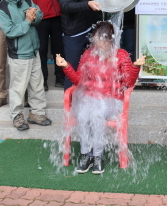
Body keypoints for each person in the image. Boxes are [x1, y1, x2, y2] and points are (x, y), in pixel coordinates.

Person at [55, 22, 145, 174]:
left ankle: (98, 155)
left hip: (112, 100)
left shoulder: (121, 55)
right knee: (82, 115)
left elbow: (128, 82)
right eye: (96, 39)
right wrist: (66, 66)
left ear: (111, 40)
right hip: (90, 98)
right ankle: (86, 154)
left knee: (97, 114)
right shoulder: (88, 54)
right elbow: (79, 81)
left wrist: (135, 66)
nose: (98, 43)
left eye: (102, 39)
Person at [51, 0, 134, 90]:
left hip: (91, 27)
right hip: (73, 31)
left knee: (101, 64)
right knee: (72, 68)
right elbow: (66, 5)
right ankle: (69, 107)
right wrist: (87, 4)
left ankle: (100, 98)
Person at [0, 0, 51, 131]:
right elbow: (11, 31)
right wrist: (27, 21)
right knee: (18, 87)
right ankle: (16, 116)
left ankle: (37, 113)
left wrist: (34, 17)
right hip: (19, 54)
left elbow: (39, 15)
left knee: (37, 85)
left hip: (34, 50)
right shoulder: (1, 10)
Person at [22, 0, 65, 91]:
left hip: (58, 15)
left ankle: (60, 77)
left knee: (59, 48)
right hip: (40, 16)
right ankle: (43, 80)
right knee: (40, 50)